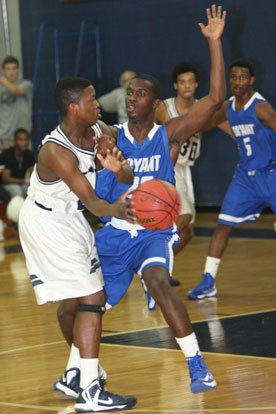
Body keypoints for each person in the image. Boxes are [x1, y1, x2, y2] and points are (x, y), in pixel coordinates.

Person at [92, 4, 225, 394]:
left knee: (160, 283)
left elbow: (216, 96)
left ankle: (198, 366)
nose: (132, 98)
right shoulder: (110, 137)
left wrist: (214, 43)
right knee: (84, 304)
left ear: (156, 103)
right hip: (116, 231)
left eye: (141, 93)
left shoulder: (169, 135)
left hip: (154, 232)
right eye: (130, 93)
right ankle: (81, 372)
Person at [18, 77, 138, 412]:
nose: (98, 103)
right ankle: (89, 390)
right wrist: (121, 211)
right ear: (74, 108)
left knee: (77, 303)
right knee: (93, 296)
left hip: (71, 220)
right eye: (91, 98)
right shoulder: (55, 151)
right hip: (46, 222)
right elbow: (92, 201)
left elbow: (125, 174)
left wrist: (117, 164)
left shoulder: (101, 130)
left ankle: (75, 375)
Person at [187, 58, 276, 300]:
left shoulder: (261, 108)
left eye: (242, 78)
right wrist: (187, 123)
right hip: (245, 179)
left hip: (271, 173)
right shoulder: (228, 107)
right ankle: (208, 281)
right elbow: (208, 123)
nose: (237, 82)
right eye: (233, 77)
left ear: (252, 80)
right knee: (222, 226)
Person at [154, 62, 201, 287]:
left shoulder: (202, 107)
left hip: (184, 169)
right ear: (175, 86)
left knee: (188, 231)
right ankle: (153, 266)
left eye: (190, 81)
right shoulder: (165, 108)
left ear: (196, 84)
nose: (187, 86)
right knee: (183, 217)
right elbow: (146, 130)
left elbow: (221, 122)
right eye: (182, 82)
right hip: (167, 167)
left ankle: (161, 268)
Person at [0, 56, 33, 150]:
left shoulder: (27, 85)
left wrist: (1, 78)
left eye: (14, 68)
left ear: (18, 70)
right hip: (5, 136)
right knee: (4, 165)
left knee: (28, 164)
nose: (11, 72)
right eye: (8, 69)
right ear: (3, 70)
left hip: (23, 137)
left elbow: (14, 90)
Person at [0, 128, 35, 198]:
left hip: (22, 184)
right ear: (15, 141)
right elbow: (6, 180)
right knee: (17, 191)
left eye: (26, 139)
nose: (24, 142)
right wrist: (24, 181)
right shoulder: (7, 154)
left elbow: (33, 173)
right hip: (7, 186)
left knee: (33, 191)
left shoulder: (29, 154)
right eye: (21, 140)